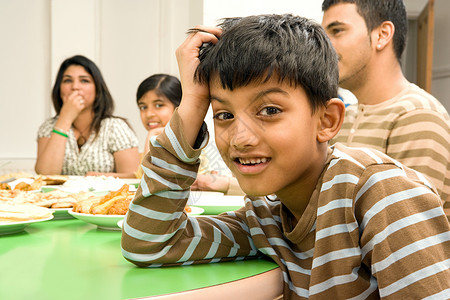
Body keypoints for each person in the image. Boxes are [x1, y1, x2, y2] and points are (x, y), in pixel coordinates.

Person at [121, 14, 450, 299]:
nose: (240, 138)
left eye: (269, 110)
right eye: (223, 114)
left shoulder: (381, 196)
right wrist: (192, 103)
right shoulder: (264, 218)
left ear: (327, 121)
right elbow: (150, 241)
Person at [321, 0, 450, 206]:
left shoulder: (418, 116)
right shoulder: (345, 116)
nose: (325, 46)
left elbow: (405, 228)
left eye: (337, 31)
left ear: (382, 35)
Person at [135, 73, 243, 195]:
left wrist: (153, 134)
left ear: (180, 106)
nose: (149, 114)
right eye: (143, 107)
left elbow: (151, 183)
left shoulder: (194, 141)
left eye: (159, 105)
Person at [35, 55, 140, 178]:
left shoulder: (115, 128)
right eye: (67, 80)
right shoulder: (48, 127)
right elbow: (45, 175)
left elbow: (134, 180)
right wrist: (65, 118)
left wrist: (101, 177)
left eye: (84, 80)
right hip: (58, 197)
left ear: (97, 89)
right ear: (59, 88)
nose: (75, 87)